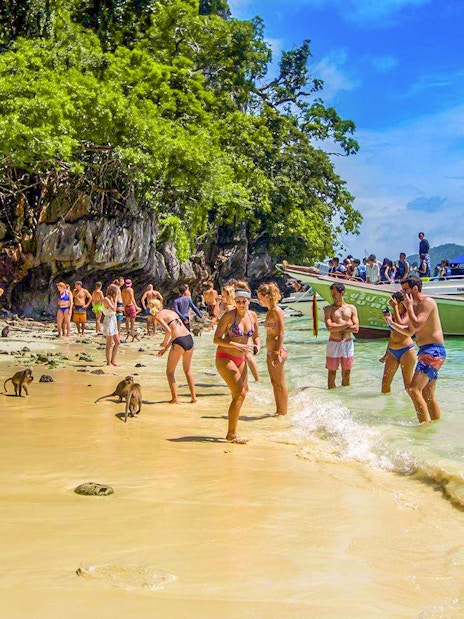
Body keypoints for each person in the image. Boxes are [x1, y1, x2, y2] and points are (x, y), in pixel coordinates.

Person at [386, 276, 446, 423]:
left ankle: (423, 429)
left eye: (405, 289)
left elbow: (417, 324)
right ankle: (435, 428)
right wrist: (391, 323)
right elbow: (410, 331)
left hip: (434, 351)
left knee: (413, 390)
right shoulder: (416, 307)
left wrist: (409, 307)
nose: (403, 293)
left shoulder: (427, 302)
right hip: (426, 351)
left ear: (415, 289)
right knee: (427, 395)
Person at [214, 284, 260, 443]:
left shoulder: (253, 316)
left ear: (249, 302)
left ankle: (233, 430)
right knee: (240, 393)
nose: (241, 304)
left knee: (242, 392)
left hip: (241, 359)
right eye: (238, 301)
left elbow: (257, 337)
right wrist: (236, 345)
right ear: (235, 301)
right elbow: (216, 339)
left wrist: (257, 346)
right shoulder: (228, 316)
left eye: (244, 301)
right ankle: (231, 434)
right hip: (224, 356)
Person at [151, 300, 197, 404]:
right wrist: (165, 349)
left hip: (179, 341)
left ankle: (175, 399)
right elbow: (176, 333)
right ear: (161, 305)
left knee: (170, 372)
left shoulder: (158, 316)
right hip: (189, 338)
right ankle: (194, 398)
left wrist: (163, 343)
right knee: (188, 370)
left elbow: (169, 331)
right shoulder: (172, 312)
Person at [257, 282, 288, 416]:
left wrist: (276, 351)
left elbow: (281, 332)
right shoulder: (270, 311)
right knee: (274, 382)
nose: (258, 300)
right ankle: (278, 411)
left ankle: (283, 412)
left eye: (260, 297)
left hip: (277, 350)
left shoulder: (276, 310)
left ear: (267, 296)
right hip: (271, 351)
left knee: (280, 383)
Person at [323, 282, 359, 389]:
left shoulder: (351, 308)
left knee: (347, 372)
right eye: (332, 294)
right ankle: (331, 399)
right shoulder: (329, 309)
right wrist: (347, 324)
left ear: (342, 293)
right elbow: (329, 327)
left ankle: (345, 397)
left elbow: (356, 328)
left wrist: (337, 326)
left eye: (335, 293)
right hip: (334, 343)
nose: (333, 296)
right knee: (332, 373)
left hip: (348, 343)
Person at [380, 291, 416, 393]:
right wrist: (386, 353)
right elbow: (392, 336)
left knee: (408, 385)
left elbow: (401, 324)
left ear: (400, 302)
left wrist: (395, 308)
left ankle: (409, 407)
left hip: (406, 351)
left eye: (393, 301)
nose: (390, 303)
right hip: (392, 351)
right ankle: (387, 407)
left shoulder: (408, 313)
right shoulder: (393, 315)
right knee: (385, 384)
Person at [102, 283, 120, 366]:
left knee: (117, 342)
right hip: (108, 320)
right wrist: (116, 299)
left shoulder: (112, 299)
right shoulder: (106, 299)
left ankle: (113, 360)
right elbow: (113, 308)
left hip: (113, 319)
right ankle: (108, 362)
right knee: (109, 343)